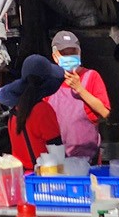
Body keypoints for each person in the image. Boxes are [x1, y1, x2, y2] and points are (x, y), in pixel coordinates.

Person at [48, 32, 111, 161]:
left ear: (80, 53)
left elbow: (104, 112)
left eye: (73, 52)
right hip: (57, 159)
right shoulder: (50, 82)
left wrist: (79, 89)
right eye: (65, 53)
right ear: (55, 57)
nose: (70, 56)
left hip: (87, 158)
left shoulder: (91, 76)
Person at [0, 55, 65, 171]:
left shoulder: (14, 112)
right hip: (44, 180)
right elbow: (57, 157)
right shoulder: (43, 110)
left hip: (22, 179)